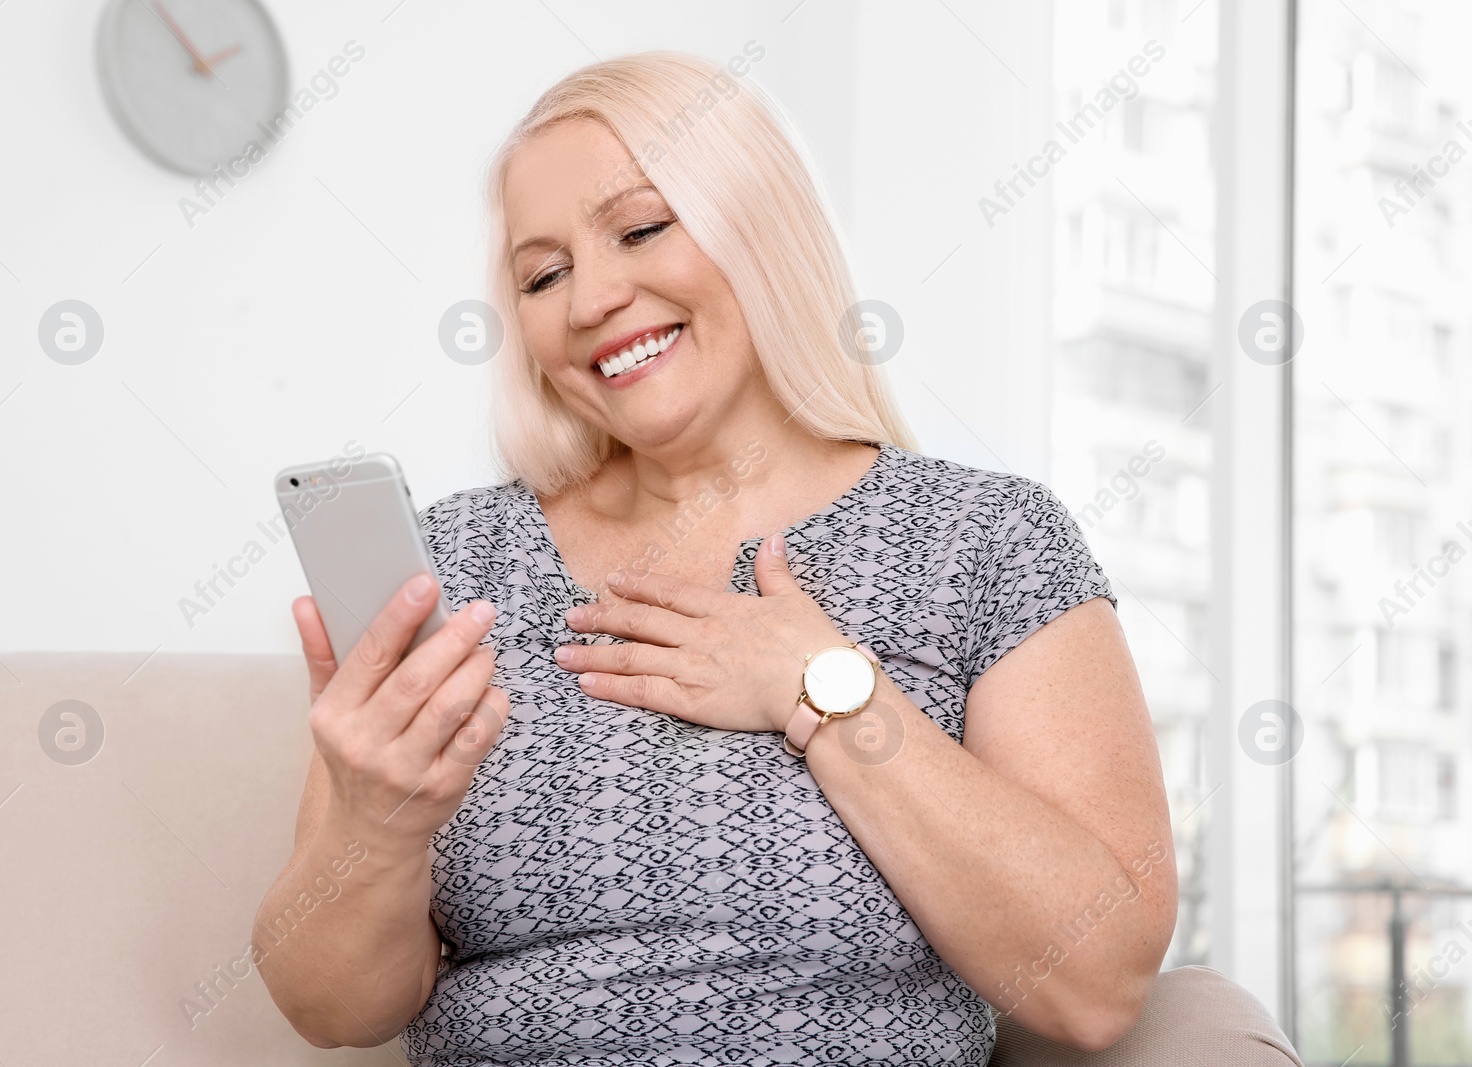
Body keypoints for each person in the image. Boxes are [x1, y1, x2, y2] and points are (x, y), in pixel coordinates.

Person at [253, 50, 1177, 1065]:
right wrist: (376, 824)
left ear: (761, 228)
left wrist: (823, 693)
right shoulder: (450, 563)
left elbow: (1097, 982)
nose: (591, 297)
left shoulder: (984, 538)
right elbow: (331, 1009)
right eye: (543, 274)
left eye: (642, 228)